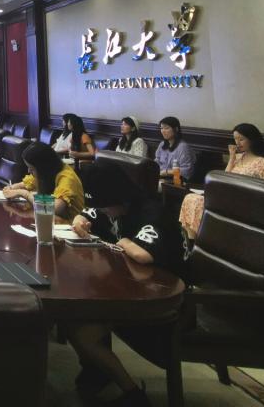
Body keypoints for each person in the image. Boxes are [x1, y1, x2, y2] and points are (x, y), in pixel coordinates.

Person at [65, 162, 187, 406]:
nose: (103, 212)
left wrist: (123, 242)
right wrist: (80, 221)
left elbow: (144, 255)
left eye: (105, 206)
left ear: (119, 198)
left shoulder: (151, 212)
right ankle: (98, 370)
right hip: (132, 288)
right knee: (72, 316)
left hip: (163, 300)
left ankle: (133, 394)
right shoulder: (114, 206)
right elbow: (87, 214)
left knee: (83, 331)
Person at [178, 123, 264, 238]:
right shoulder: (237, 158)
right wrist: (231, 159)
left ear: (252, 139)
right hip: (227, 197)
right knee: (191, 198)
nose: (237, 143)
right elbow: (223, 179)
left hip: (247, 202)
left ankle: (200, 240)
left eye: (241, 139)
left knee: (198, 202)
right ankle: (192, 240)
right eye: (235, 139)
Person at [3, 141, 85, 218]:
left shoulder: (67, 178)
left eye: (31, 168)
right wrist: (11, 189)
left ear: (43, 167)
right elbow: (25, 184)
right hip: (50, 221)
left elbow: (53, 208)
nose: (29, 171)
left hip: (69, 225)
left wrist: (25, 194)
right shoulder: (47, 172)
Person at [154, 116, 195, 182]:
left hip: (176, 180)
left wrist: (167, 172)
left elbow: (186, 170)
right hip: (160, 176)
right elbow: (157, 161)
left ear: (176, 129)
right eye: (161, 128)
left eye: (166, 128)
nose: (163, 131)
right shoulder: (162, 144)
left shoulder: (183, 147)